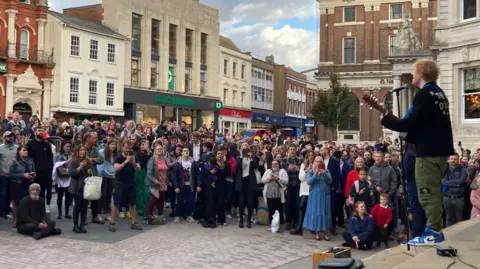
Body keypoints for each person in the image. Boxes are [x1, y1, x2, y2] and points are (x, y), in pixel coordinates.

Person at [381, 59, 454, 245]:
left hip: (428, 153)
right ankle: (434, 229)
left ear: (421, 73)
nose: (412, 74)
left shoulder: (424, 94)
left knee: (427, 193)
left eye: (414, 71)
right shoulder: (440, 93)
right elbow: (426, 125)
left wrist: (387, 121)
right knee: (434, 192)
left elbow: (410, 123)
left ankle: (434, 233)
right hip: (442, 151)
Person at [109, 140, 142, 232]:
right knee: (116, 202)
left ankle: (133, 222)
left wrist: (134, 163)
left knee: (132, 203)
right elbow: (116, 169)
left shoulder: (133, 157)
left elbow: (138, 169)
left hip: (131, 182)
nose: (128, 150)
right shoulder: (118, 157)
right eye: (126, 148)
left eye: (129, 148)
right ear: (122, 148)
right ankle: (112, 222)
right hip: (119, 182)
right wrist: (126, 162)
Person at [303, 156, 332, 241]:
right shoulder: (310, 171)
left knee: (325, 212)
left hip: (325, 195)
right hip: (315, 195)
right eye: (316, 161)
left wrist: (324, 174)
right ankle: (317, 232)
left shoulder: (326, 171)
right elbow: (309, 182)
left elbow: (330, 181)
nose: (318, 163)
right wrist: (316, 174)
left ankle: (326, 233)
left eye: (320, 162)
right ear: (314, 162)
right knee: (316, 212)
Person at [27, 126, 54, 213]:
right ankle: (32, 208)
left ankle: (41, 209)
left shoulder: (47, 145)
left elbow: (50, 158)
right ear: (35, 132)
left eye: (42, 131)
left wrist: (50, 169)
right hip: (34, 172)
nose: (41, 132)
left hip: (45, 172)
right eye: (39, 131)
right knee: (32, 190)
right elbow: (27, 158)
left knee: (42, 191)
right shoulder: (30, 144)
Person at [68, 145, 93, 234]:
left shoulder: (87, 161)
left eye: (84, 150)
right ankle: (75, 225)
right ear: (77, 151)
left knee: (84, 207)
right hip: (76, 187)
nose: (83, 151)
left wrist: (90, 172)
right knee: (77, 206)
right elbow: (72, 173)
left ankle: (82, 224)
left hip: (85, 187)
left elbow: (90, 173)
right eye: (81, 150)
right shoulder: (73, 161)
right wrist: (80, 167)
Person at [9, 145, 35, 228]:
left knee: (27, 202)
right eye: (23, 150)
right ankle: (15, 220)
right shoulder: (15, 161)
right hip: (17, 184)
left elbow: (34, 171)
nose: (25, 151)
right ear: (19, 151)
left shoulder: (31, 160)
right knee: (16, 202)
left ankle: (25, 219)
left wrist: (32, 175)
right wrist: (23, 175)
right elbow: (11, 174)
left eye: (26, 150)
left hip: (28, 184)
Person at [291, 150, 315, 235]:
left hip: (312, 190)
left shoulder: (316, 165)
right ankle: (299, 228)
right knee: (301, 207)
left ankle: (312, 227)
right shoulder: (303, 165)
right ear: (307, 157)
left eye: (312, 155)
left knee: (311, 209)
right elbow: (301, 178)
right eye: (309, 156)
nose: (311, 157)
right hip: (304, 190)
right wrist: (307, 170)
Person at [441, 153, 467, 227]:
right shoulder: (445, 169)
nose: (453, 160)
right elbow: (443, 182)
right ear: (449, 159)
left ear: (458, 160)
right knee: (449, 218)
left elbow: (461, 180)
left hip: (459, 198)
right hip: (447, 198)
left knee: (459, 219)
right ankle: (448, 237)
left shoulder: (463, 169)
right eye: (451, 159)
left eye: (455, 159)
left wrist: (449, 183)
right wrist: (457, 184)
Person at [261, 160, 288, 231]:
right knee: (270, 210)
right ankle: (271, 225)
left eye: (276, 164)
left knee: (278, 210)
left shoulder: (282, 171)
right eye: (273, 164)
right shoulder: (268, 171)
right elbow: (262, 180)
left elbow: (286, 181)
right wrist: (268, 178)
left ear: (279, 165)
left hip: (278, 194)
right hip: (269, 194)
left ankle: (278, 225)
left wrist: (278, 178)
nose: (274, 165)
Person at [146, 145, 169, 225]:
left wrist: (167, 181)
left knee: (161, 201)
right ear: (155, 150)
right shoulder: (152, 159)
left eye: (160, 149)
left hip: (163, 182)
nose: (159, 150)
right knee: (153, 200)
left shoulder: (164, 159)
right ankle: (149, 216)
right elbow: (149, 173)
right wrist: (155, 180)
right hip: (155, 183)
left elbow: (167, 170)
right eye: (157, 149)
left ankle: (160, 216)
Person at [98, 140, 118, 222]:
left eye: (115, 144)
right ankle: (98, 213)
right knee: (102, 195)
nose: (113, 146)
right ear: (108, 145)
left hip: (111, 176)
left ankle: (107, 213)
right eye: (112, 144)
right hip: (102, 175)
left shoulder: (115, 154)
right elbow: (98, 162)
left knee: (109, 195)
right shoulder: (102, 152)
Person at [0, 131, 18, 220]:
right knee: (3, 194)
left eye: (11, 136)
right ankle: (2, 212)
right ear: (4, 137)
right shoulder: (0, 148)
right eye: (8, 136)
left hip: (14, 175)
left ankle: (8, 211)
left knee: (12, 194)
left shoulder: (17, 148)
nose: (10, 137)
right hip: (4, 175)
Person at [53, 141, 73, 220]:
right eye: (67, 146)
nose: (68, 148)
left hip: (69, 177)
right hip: (61, 178)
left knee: (68, 196)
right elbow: (59, 165)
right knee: (60, 196)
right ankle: (60, 213)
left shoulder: (71, 154)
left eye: (69, 147)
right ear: (63, 147)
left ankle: (67, 213)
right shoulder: (58, 155)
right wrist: (69, 161)